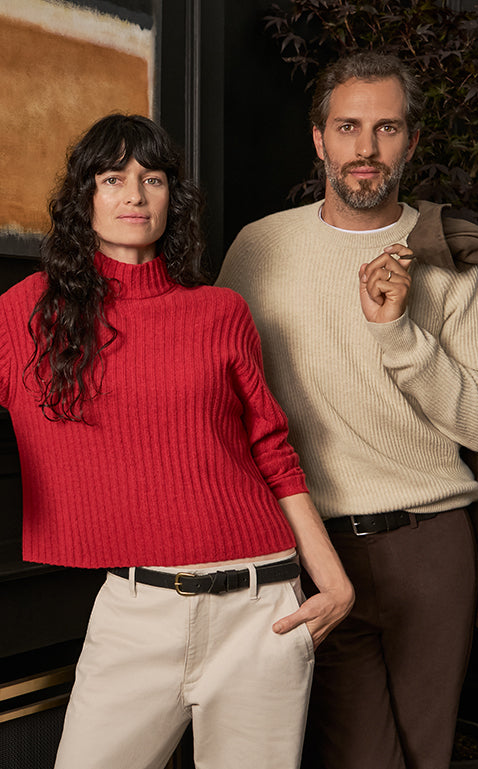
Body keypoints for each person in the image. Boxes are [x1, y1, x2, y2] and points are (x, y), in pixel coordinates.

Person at [0, 113, 353, 769]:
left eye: (153, 179)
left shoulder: (220, 311)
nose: (135, 195)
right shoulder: (28, 311)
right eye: (113, 178)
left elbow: (271, 446)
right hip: (136, 608)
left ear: (172, 197)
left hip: (262, 607)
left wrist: (331, 577)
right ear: (84, 197)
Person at [216, 52, 478, 769]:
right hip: (309, 546)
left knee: (426, 754)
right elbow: (220, 396)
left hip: (432, 546)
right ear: (319, 139)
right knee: (356, 754)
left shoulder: (449, 261)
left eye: (386, 128)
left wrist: (397, 332)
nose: (366, 148)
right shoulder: (258, 248)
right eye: (347, 127)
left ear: (411, 140)